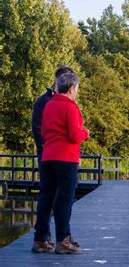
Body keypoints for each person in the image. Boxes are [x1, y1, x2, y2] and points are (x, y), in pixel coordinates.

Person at [32, 71, 89, 254]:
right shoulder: (70, 107)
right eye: (77, 89)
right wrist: (85, 133)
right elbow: (74, 135)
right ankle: (63, 239)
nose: (77, 92)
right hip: (65, 158)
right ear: (72, 88)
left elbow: (45, 131)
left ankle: (40, 239)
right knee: (65, 199)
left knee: (46, 197)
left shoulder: (48, 105)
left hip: (48, 156)